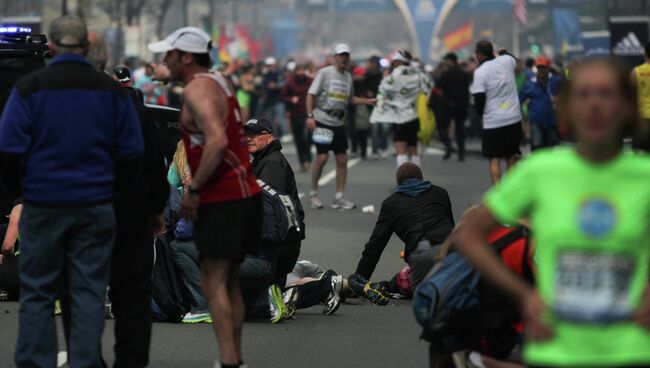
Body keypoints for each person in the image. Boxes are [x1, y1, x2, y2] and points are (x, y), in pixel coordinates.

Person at [452, 58, 650, 368]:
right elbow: (468, 237)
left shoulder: (645, 175)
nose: (595, 104)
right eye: (583, 95)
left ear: (626, 107)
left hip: (630, 350)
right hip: (556, 349)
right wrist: (525, 296)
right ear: (567, 108)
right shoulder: (539, 171)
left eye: (606, 94)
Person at [0, 15, 144, 367]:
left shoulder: (30, 88)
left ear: (51, 48)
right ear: (85, 47)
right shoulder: (111, 92)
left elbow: (7, 147)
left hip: (43, 203)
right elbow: (132, 153)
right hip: (94, 205)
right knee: (88, 291)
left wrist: (22, 191)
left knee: (37, 292)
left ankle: (35, 361)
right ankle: (84, 361)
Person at [148, 27, 261, 368]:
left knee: (212, 282)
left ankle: (229, 361)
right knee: (229, 283)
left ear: (185, 57)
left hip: (222, 197)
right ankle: (234, 358)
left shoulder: (197, 90)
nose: (164, 59)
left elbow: (216, 140)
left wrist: (194, 189)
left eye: (169, 54)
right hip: (246, 194)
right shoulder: (221, 81)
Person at [109, 64, 169, 367]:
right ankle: (130, 361)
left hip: (89, 208)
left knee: (81, 290)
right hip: (133, 213)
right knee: (133, 293)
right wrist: (156, 208)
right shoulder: (139, 113)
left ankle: (85, 356)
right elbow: (155, 164)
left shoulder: (43, 93)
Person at [352, 163, 454, 291]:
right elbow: (451, 226)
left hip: (423, 253)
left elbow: (375, 246)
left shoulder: (391, 204)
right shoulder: (440, 193)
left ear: (398, 183)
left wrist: (359, 280)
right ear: (421, 178)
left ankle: (392, 286)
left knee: (417, 289)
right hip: (452, 249)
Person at [306, 43, 376, 210]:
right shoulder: (325, 73)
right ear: (335, 57)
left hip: (338, 122)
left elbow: (350, 100)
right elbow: (311, 94)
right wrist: (310, 117)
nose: (344, 58)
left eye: (346, 55)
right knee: (322, 158)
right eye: (341, 55)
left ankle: (339, 196)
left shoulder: (348, 77)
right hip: (322, 119)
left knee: (342, 158)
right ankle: (313, 193)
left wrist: (368, 101)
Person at [243, 117, 305, 289]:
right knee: (272, 294)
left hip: (280, 243)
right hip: (282, 241)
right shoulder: (262, 159)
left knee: (266, 299)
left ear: (270, 137)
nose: (249, 138)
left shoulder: (271, 164)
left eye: (255, 134)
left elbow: (270, 211)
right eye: (246, 134)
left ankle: (324, 286)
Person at [470, 41, 523, 184]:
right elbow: (514, 59)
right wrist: (503, 53)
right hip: (513, 118)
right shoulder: (506, 61)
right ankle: (514, 192)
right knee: (511, 156)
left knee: (494, 158)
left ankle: (499, 195)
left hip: (493, 121)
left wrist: (482, 115)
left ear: (480, 55)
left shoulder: (480, 72)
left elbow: (479, 100)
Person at [371, 50, 432, 167]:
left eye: (394, 62)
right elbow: (427, 93)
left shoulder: (394, 77)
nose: (393, 64)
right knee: (413, 148)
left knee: (401, 149)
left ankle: (404, 179)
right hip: (415, 116)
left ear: (399, 62)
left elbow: (384, 94)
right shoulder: (418, 75)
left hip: (400, 116)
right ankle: (416, 178)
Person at [518, 56, 561, 150]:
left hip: (551, 122)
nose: (541, 70)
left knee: (550, 150)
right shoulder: (530, 84)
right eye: (539, 68)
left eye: (543, 68)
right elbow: (518, 100)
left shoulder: (555, 81)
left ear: (548, 68)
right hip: (536, 122)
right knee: (537, 148)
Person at [437, 52, 472, 161]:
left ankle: (448, 145)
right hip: (462, 105)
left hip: (448, 104)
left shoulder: (447, 73)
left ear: (450, 61)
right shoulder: (464, 73)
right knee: (460, 128)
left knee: (441, 126)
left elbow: (439, 85)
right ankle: (461, 153)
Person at [281, 63, 313, 171]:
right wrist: (291, 99)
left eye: (302, 70)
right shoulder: (290, 83)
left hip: (307, 112)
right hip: (295, 114)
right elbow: (283, 96)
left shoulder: (310, 81)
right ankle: (302, 161)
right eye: (298, 71)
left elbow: (315, 93)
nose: (301, 73)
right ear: (295, 72)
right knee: (298, 139)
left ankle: (308, 159)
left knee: (307, 136)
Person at [631, 41, 650, 151]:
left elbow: (630, 96)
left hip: (642, 117)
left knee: (642, 153)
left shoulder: (636, 72)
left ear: (645, 53)